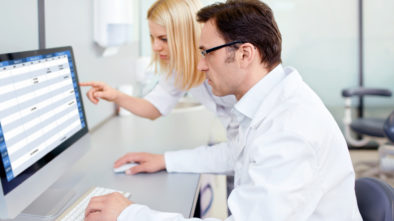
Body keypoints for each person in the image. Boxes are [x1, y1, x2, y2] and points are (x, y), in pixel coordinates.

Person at [85, 0, 363, 221]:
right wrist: (167, 160)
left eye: (207, 52)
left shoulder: (290, 130)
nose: (200, 65)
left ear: (244, 54)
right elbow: (239, 153)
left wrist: (130, 214)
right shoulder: (269, 102)